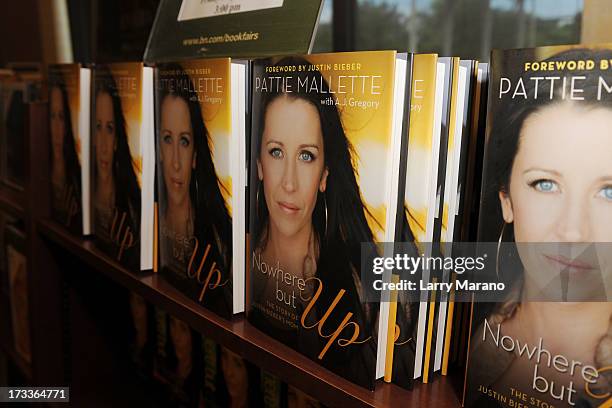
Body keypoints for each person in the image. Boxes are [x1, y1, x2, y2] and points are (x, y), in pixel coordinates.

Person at [469, 48, 612, 407]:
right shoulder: (451, 328)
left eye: (609, 192)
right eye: (545, 184)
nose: (573, 231)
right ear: (506, 198)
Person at [249, 56, 383, 387]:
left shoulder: (360, 289)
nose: (289, 183)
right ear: (259, 164)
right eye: (276, 152)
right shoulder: (234, 250)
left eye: (306, 156)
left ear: (324, 174)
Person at [157, 63, 232, 314]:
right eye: (168, 139)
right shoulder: (150, 224)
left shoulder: (223, 241)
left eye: (185, 141)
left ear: (196, 154)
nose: (176, 162)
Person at [92, 66, 141, 268]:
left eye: (110, 129)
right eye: (98, 127)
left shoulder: (133, 206)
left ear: (117, 138)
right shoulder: (84, 190)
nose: (103, 145)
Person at [48, 73, 82, 230]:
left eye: (61, 117)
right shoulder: (45, 168)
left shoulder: (77, 177)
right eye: (52, 116)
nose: (56, 128)